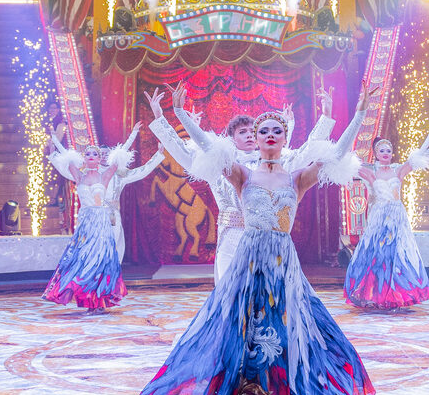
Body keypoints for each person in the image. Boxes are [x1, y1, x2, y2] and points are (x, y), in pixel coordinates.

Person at [138, 110, 371, 395]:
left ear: (286, 138)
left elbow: (335, 156)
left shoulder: (297, 177)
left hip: (282, 264)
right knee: (244, 332)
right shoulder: (242, 175)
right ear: (257, 139)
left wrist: (359, 114)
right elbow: (208, 149)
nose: (270, 135)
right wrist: (179, 116)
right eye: (264, 131)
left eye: (277, 130)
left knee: (285, 333)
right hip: (247, 261)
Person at [148, 86, 352, 284]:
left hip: (269, 238)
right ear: (231, 139)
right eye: (242, 131)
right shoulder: (221, 164)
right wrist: (161, 120)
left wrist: (325, 118)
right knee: (232, 292)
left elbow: (307, 151)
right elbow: (184, 154)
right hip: (231, 236)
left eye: (250, 131)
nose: (248, 135)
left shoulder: (279, 163)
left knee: (268, 294)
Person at [42, 126, 163, 312]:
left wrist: (154, 151)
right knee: (84, 260)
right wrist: (54, 143)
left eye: (99, 153)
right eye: (90, 153)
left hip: (107, 220)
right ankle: (88, 298)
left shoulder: (115, 175)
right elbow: (65, 159)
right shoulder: (79, 174)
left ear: (104, 157)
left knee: (108, 259)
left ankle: (102, 297)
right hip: (86, 223)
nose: (97, 156)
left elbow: (137, 167)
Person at [342, 123, 429, 310]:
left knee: (397, 254)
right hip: (379, 217)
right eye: (382, 151)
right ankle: (375, 294)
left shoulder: (398, 171)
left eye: (388, 150)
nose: (386, 153)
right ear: (376, 154)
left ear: (392, 154)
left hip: (396, 217)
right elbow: (348, 162)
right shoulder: (371, 173)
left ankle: (395, 295)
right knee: (377, 254)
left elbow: (419, 156)